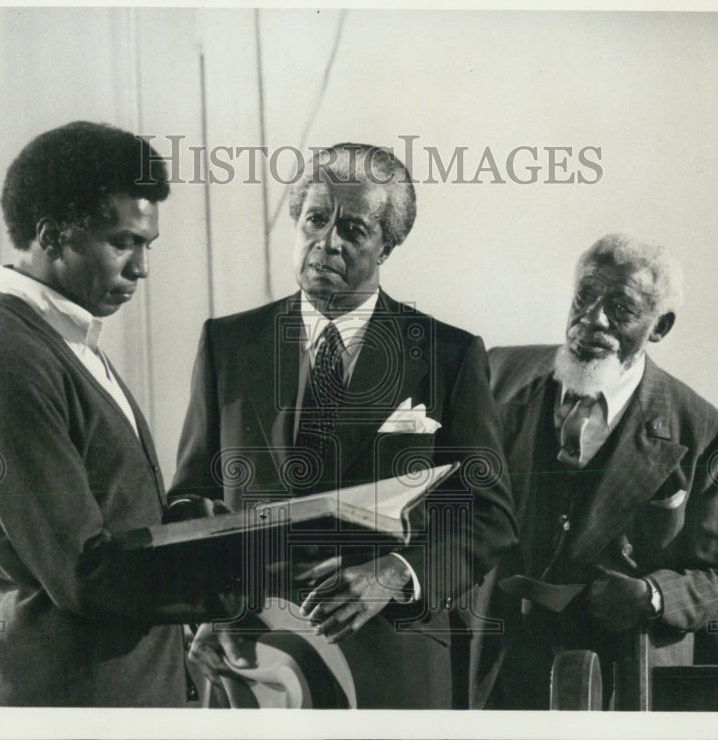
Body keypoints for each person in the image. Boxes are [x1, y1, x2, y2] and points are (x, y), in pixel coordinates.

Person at [168, 143, 517, 708]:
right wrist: (205, 605)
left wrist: (395, 574)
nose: (327, 242)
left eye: (353, 229)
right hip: (251, 653)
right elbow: (191, 499)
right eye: (315, 219)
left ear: (387, 245)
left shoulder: (448, 355)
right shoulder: (227, 344)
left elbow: (490, 515)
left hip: (392, 655)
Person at [0, 121, 238, 706]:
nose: (141, 267)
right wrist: (237, 572)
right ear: (52, 236)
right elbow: (86, 574)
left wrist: (195, 523)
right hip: (79, 704)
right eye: (123, 242)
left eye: (148, 245)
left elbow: (114, 517)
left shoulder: (61, 340)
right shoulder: (5, 365)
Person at [471, 234, 718, 710]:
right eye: (585, 295)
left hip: (621, 676)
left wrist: (652, 595)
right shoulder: (499, 371)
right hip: (495, 665)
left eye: (621, 308)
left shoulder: (707, 433)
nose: (593, 318)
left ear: (659, 327)